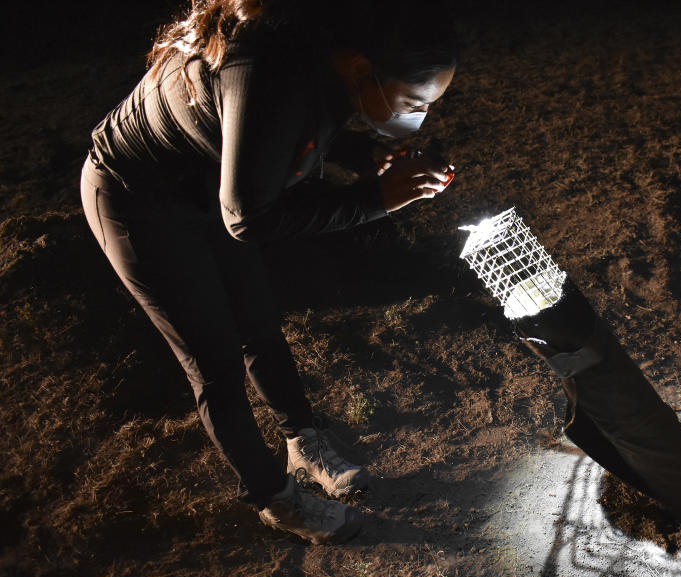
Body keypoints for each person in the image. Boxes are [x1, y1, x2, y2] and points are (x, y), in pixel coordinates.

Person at [79, 0, 458, 545]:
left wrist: (364, 156)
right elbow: (252, 219)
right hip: (139, 200)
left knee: (257, 320)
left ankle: (303, 443)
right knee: (214, 362)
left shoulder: (326, 59)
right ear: (360, 67)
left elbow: (294, 134)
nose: (418, 115)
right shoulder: (269, 69)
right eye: (414, 101)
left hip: (214, 188)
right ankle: (274, 500)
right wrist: (376, 199)